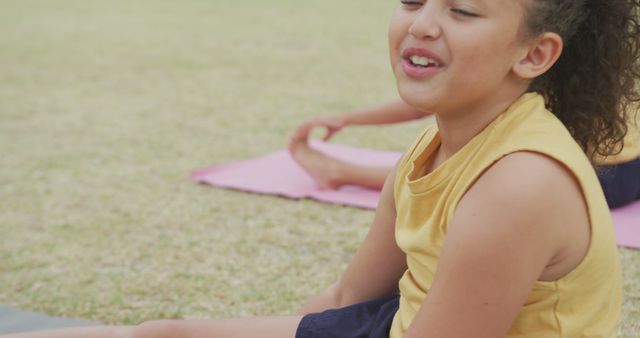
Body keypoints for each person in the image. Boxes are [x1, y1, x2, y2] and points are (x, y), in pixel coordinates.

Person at [4, 0, 639, 337]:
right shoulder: (429, 151)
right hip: (394, 326)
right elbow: (344, 301)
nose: (421, 23)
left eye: (462, 10)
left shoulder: (518, 184)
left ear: (535, 53)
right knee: (161, 335)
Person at [289, 100, 640, 208]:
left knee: (464, 141)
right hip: (632, 170)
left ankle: (341, 172)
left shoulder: (527, 47)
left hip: (586, 182)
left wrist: (348, 117)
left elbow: (424, 104)